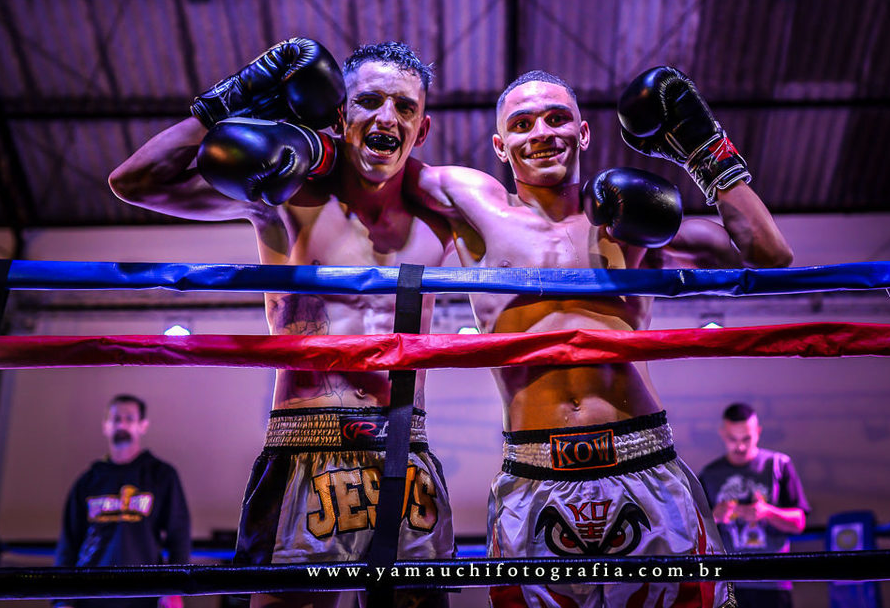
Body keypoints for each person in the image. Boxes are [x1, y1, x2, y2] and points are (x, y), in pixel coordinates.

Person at [407, 67, 793, 608]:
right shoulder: (475, 209)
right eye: (522, 124)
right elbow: (379, 157)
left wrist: (704, 150)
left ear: (583, 132)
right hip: (534, 470)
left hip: (644, 460)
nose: (542, 133)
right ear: (499, 145)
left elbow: (769, 256)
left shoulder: (633, 224)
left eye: (557, 118)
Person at [108, 39, 454, 608]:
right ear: (339, 113)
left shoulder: (444, 210)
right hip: (303, 442)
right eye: (369, 101)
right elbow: (135, 182)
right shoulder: (285, 193)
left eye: (405, 106)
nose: (387, 117)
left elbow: (539, 233)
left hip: (402, 448)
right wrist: (227, 100)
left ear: (422, 128)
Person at [54, 394, 191, 608]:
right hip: (90, 596)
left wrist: (174, 589)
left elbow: (179, 536)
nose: (122, 425)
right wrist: (62, 600)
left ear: (143, 425)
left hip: (144, 595)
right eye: (116, 419)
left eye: (129, 419)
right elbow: (68, 544)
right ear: (105, 426)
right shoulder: (87, 481)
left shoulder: (161, 475)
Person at [698, 403, 810, 608]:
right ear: (722, 434)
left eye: (746, 439)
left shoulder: (779, 464)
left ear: (758, 432)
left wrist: (768, 512)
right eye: (733, 439)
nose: (740, 446)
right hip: (726, 583)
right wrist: (714, 517)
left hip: (773, 582)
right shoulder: (708, 474)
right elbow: (692, 532)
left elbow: (799, 522)